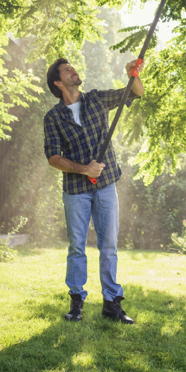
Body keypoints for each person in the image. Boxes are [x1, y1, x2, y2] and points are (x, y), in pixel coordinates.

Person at [43, 57, 144, 324]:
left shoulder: (96, 99)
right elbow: (53, 157)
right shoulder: (53, 117)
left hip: (106, 185)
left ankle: (111, 303)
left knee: (108, 246)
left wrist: (131, 73)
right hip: (76, 190)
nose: (73, 71)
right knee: (77, 246)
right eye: (67, 70)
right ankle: (76, 303)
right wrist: (83, 169)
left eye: (72, 69)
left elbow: (135, 92)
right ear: (58, 82)